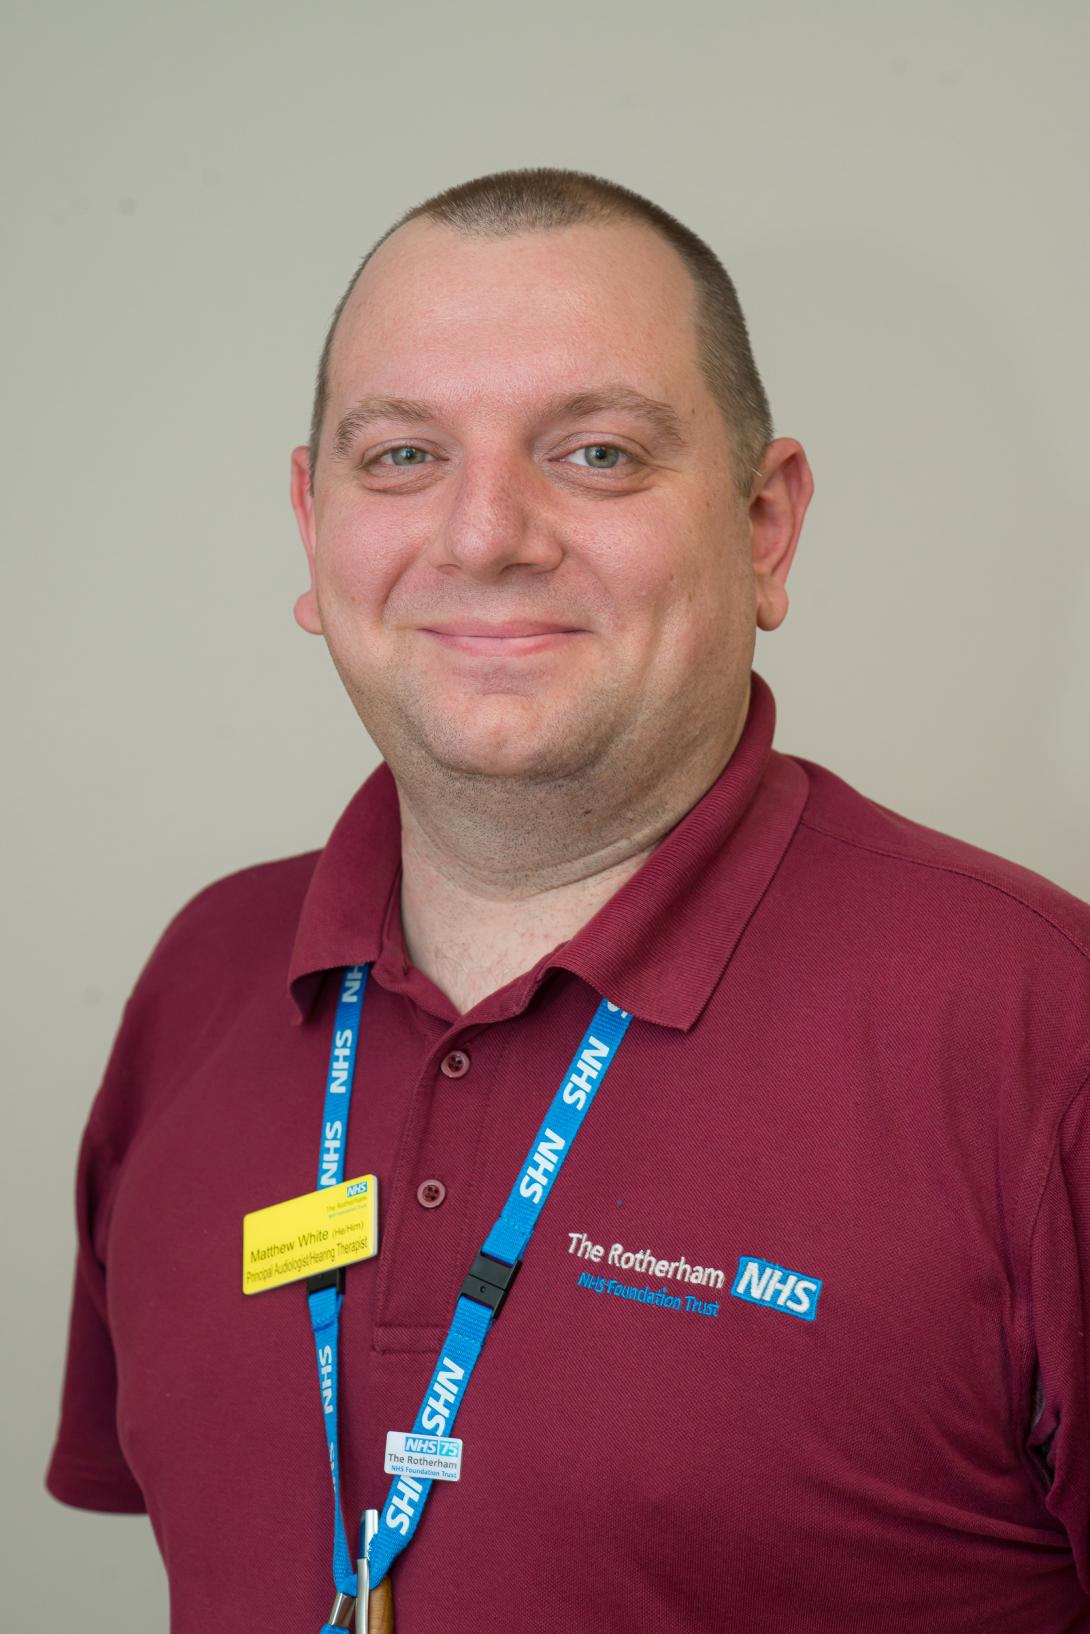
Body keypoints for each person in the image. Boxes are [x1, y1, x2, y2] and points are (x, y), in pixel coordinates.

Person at [47, 166, 1090, 1634]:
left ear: (766, 525)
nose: (482, 536)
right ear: (310, 521)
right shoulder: (206, 978)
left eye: (594, 453)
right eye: (401, 455)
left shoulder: (1039, 1029)